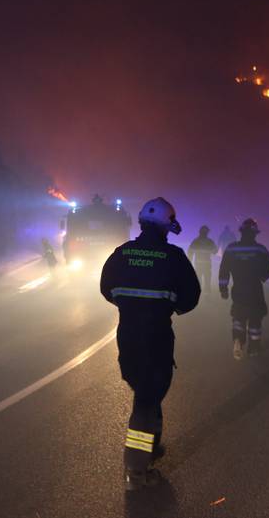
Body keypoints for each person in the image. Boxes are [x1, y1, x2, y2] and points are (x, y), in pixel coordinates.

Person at [100, 197, 201, 490]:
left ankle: (151, 449)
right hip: (156, 338)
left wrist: (129, 305)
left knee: (146, 394)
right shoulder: (173, 257)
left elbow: (107, 288)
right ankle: (136, 470)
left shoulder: (122, 254)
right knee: (145, 403)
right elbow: (190, 297)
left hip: (128, 338)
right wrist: (168, 307)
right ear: (167, 225)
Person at [218, 218, 269, 359]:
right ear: (255, 233)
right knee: (255, 318)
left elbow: (224, 269)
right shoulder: (260, 249)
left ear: (241, 232)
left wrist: (223, 288)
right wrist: (262, 277)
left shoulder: (232, 248)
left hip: (238, 289)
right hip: (255, 289)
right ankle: (254, 348)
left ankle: (238, 340)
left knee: (239, 315)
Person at [187, 225, 218, 291]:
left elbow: (190, 251)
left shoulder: (196, 241)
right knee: (207, 280)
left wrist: (189, 261)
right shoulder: (210, 241)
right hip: (206, 264)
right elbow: (215, 251)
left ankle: (199, 293)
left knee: (199, 280)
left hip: (199, 264)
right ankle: (206, 295)